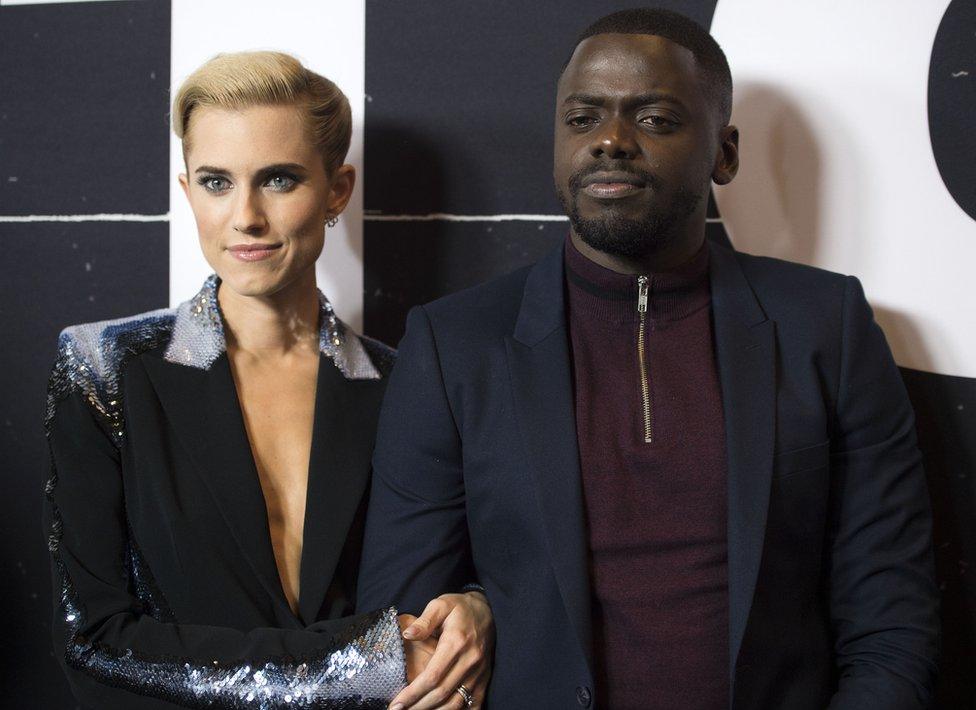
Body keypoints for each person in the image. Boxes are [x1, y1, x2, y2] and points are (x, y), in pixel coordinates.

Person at [356, 8, 939, 709]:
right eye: (582, 119)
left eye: (656, 119)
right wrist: (480, 604)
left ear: (724, 153)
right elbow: (405, 630)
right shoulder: (457, 344)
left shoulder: (824, 326)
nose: (610, 142)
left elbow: (891, 620)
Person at [43, 51, 492, 710]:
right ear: (186, 189)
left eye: (278, 180)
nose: (245, 216)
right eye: (216, 182)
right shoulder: (103, 367)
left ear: (337, 190)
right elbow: (95, 641)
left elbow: (471, 572)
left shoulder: (406, 383)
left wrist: (477, 610)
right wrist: (366, 663)